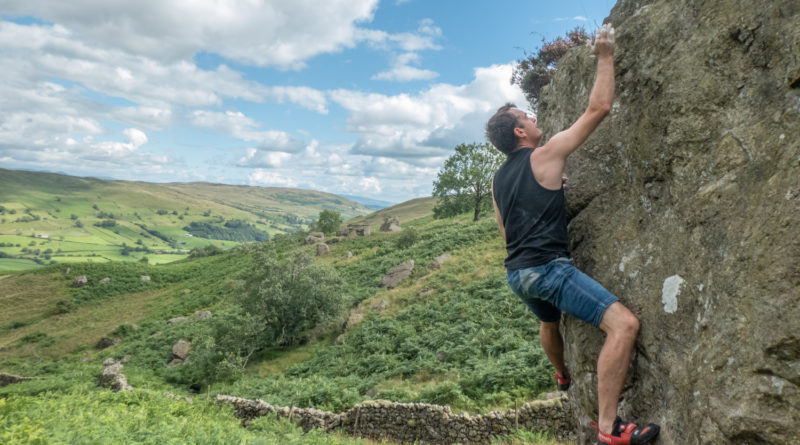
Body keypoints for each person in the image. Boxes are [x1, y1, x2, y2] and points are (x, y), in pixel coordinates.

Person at [486, 24, 660, 445]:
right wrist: (604, 55)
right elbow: (598, 109)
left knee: (550, 321)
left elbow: (505, 229)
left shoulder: (497, 180)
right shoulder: (545, 156)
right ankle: (609, 429)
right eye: (527, 116)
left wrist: (548, 198)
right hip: (548, 269)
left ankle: (562, 375)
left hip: (518, 275)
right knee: (623, 326)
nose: (534, 117)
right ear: (519, 133)